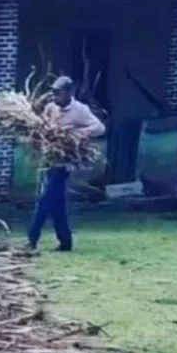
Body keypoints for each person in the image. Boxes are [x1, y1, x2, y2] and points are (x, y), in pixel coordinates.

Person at [27, 76, 106, 253]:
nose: (55, 96)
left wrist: (76, 133)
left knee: (44, 200)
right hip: (49, 161)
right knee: (56, 204)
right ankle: (65, 242)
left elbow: (100, 128)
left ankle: (32, 239)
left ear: (70, 92)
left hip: (65, 164)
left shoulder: (80, 110)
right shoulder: (51, 108)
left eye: (59, 93)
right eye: (54, 93)